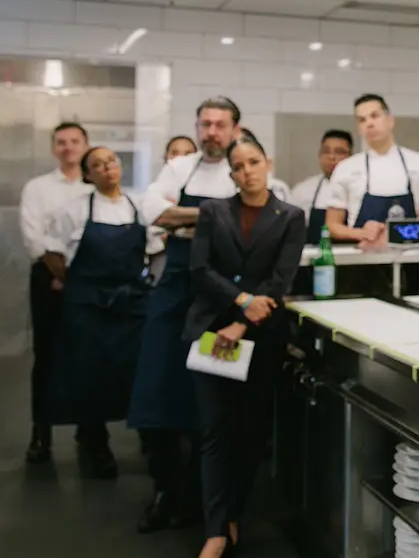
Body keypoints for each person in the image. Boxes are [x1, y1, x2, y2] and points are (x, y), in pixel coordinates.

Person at [131, 99, 290, 532]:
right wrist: (216, 215)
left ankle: (209, 503)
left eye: (220, 125)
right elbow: (154, 212)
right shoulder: (180, 169)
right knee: (161, 393)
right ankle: (165, 491)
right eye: (205, 124)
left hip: (220, 306)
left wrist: (188, 222)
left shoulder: (246, 170)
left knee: (214, 403)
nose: (211, 132)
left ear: (236, 128)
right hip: (173, 299)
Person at [186, 133, 305, 558]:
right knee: (215, 430)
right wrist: (238, 305)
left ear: (267, 163)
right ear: (230, 172)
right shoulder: (213, 212)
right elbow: (201, 270)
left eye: (253, 162)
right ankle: (216, 532)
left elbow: (281, 277)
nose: (246, 172)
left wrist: (245, 321)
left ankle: (232, 514)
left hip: (258, 335)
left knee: (251, 433)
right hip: (212, 332)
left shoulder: (290, 216)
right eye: (237, 166)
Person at [40, 146, 150, 479]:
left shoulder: (139, 206)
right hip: (88, 303)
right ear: (88, 174)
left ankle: (148, 433)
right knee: (89, 372)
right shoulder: (73, 209)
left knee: (136, 369)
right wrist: (77, 285)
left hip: (130, 302)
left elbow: (154, 250)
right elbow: (52, 253)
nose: (106, 168)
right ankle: (95, 441)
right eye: (97, 165)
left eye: (111, 162)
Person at [19, 121, 93, 465]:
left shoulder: (97, 188)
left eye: (74, 141)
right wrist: (61, 274)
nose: (68, 147)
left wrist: (79, 276)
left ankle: (90, 431)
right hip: (48, 277)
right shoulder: (37, 188)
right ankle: (41, 434)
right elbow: (35, 238)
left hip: (91, 279)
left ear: (85, 145)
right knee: (46, 356)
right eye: (61, 142)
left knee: (87, 354)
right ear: (53, 148)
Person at [324, 94, 419, 243]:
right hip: (362, 258)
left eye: (375, 116)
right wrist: (362, 234)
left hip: (409, 257)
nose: (369, 123)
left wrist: (393, 236)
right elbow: (332, 225)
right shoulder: (346, 168)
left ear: (390, 121)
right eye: (362, 120)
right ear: (359, 128)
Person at [146, 136, 200, 284]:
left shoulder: (203, 188)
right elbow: (152, 224)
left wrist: (174, 225)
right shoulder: (155, 190)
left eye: (188, 154)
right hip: (161, 262)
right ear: (166, 157)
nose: (180, 159)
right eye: (175, 153)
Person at [290, 129, 354, 244]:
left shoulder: (358, 188)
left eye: (339, 152)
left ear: (351, 157)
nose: (331, 157)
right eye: (326, 151)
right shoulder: (303, 190)